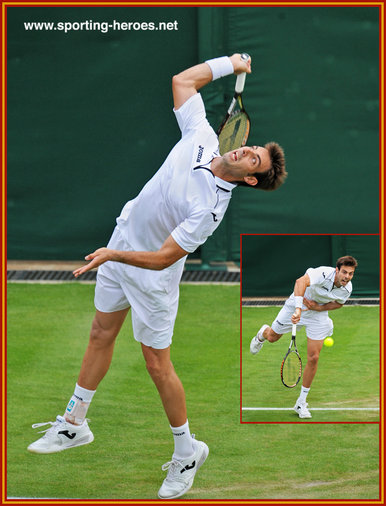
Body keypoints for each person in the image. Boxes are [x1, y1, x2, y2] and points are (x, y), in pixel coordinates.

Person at [28, 53, 287, 499]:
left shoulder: (209, 209)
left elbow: (165, 258)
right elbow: (183, 80)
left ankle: (187, 453)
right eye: (252, 147)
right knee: (100, 333)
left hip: (148, 277)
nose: (246, 151)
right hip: (122, 239)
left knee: (156, 364)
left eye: (254, 161)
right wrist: (232, 62)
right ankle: (73, 424)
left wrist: (113, 253)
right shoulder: (203, 135)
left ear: (249, 180)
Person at [250, 256, 357, 419]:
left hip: (317, 315)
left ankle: (301, 402)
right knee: (273, 337)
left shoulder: (347, 288)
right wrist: (298, 309)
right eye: (344, 272)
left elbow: (338, 303)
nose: (347, 277)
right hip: (297, 304)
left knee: (313, 357)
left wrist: (319, 308)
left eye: (350, 274)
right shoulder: (323, 273)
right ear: (337, 270)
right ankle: (262, 334)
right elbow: (300, 282)